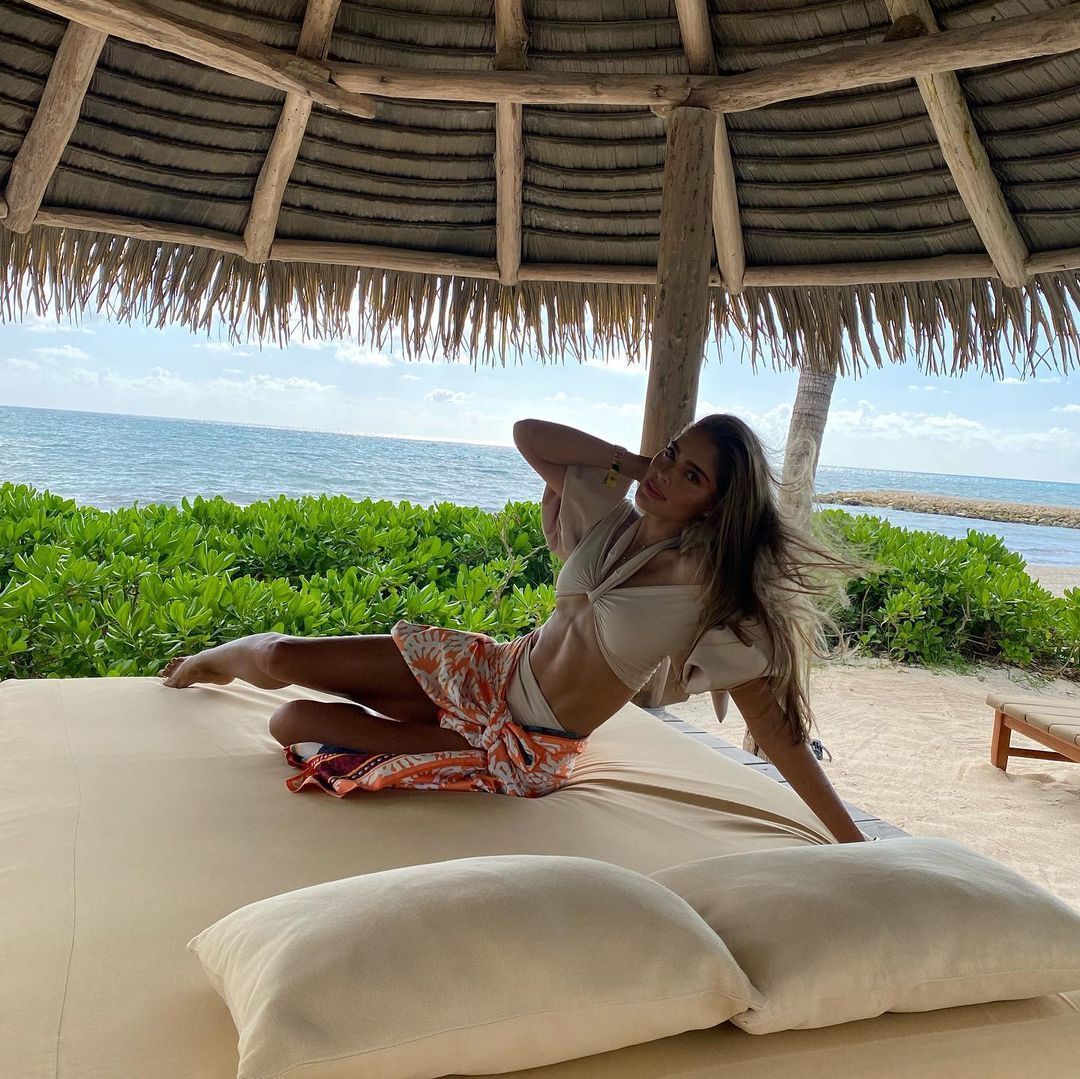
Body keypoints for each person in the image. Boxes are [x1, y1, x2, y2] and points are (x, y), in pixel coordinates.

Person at [161, 415, 866, 842]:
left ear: (716, 505)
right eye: (671, 452)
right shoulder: (610, 517)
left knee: (289, 721)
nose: (665, 473)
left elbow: (776, 733)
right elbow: (530, 435)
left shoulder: (709, 596)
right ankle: (206, 662)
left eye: (691, 476)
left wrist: (852, 840)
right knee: (281, 655)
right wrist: (636, 463)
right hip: (487, 672)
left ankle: (401, 721)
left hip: (518, 748)